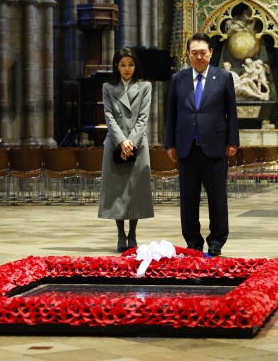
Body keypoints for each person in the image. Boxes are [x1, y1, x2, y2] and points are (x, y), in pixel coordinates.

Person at [165, 32, 240, 256]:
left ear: (211, 53)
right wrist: (170, 143)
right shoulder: (179, 79)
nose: (199, 57)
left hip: (215, 146)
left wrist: (233, 141)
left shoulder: (223, 77)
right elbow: (172, 113)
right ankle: (193, 241)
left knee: (217, 198)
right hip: (186, 146)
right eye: (194, 53)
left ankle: (216, 240)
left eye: (203, 53)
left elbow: (231, 112)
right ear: (188, 55)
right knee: (188, 198)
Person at [98, 48, 154, 252]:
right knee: (118, 191)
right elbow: (109, 116)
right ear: (116, 66)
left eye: (130, 64)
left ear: (135, 65)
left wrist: (131, 142)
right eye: (123, 65)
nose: (127, 69)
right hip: (115, 143)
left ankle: (133, 234)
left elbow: (143, 118)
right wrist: (122, 141)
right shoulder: (108, 87)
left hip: (137, 144)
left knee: (136, 191)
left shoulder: (145, 86)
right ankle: (121, 233)